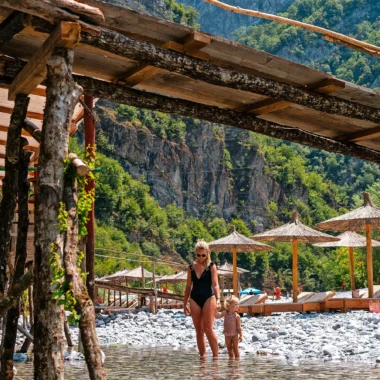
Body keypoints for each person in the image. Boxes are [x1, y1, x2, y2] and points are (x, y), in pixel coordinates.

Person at [184, 239, 221, 358]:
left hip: (209, 297)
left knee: (208, 328)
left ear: (208, 253)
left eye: (203, 255)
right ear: (195, 253)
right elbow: (188, 286)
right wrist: (185, 303)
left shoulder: (211, 266)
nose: (201, 257)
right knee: (199, 331)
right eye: (198, 255)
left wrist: (219, 299)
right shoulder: (191, 267)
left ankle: (216, 358)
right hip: (194, 298)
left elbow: (215, 284)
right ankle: (203, 359)